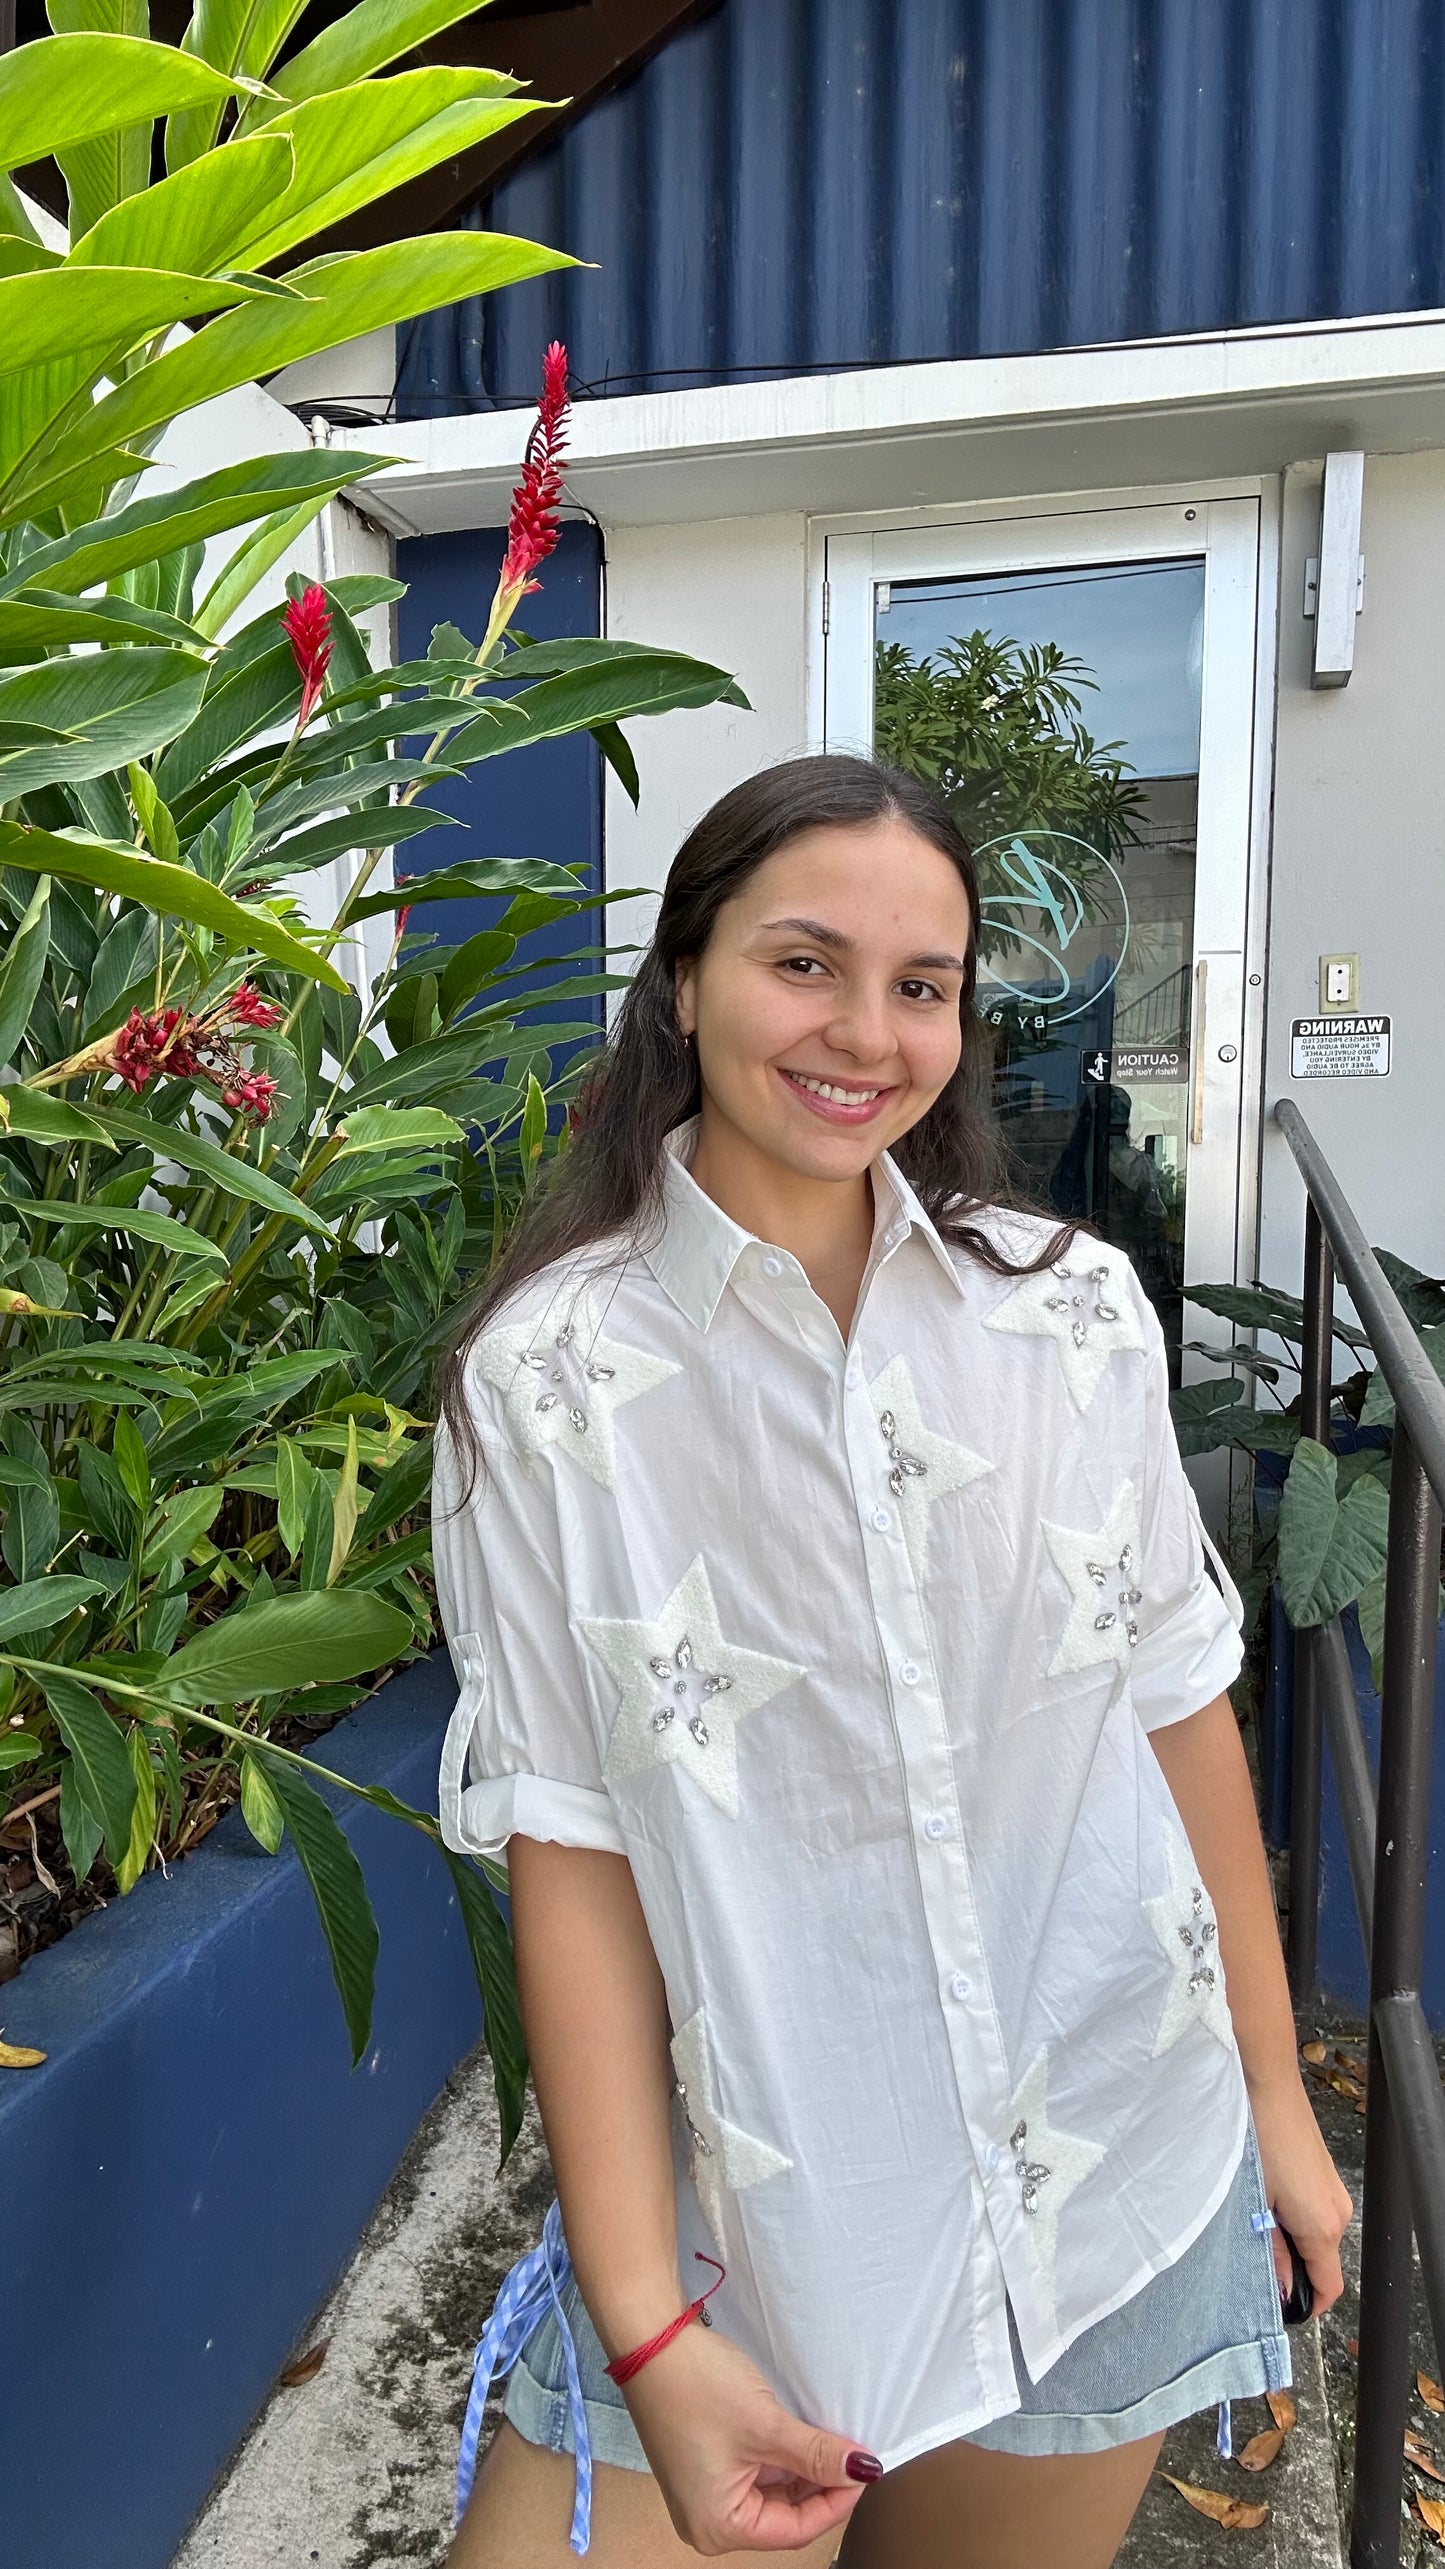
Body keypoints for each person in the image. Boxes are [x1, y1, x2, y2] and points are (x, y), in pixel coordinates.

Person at [432, 755, 1351, 2569]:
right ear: (682, 979)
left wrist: (1270, 2107)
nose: (866, 1031)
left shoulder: (1070, 1316)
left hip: (1107, 2173)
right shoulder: (548, 1382)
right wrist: (645, 2324)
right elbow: (575, 1853)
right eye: (803, 963)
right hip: (760, 2217)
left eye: (921, 984)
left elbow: (1172, 1714)